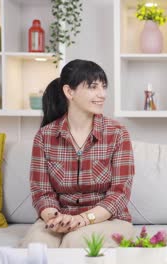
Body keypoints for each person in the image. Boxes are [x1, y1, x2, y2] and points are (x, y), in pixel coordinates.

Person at [20, 59, 135, 248]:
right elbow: (42, 192)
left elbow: (119, 194)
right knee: (36, 245)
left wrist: (83, 219)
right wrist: (55, 218)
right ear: (69, 91)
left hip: (107, 220)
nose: (102, 94)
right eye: (93, 87)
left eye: (104, 87)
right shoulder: (45, 136)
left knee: (76, 242)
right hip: (60, 216)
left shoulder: (117, 133)